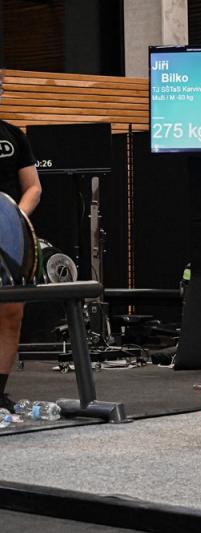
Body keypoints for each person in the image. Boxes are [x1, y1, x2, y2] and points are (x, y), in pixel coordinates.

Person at [0, 69, 43, 411]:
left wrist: (14, 219)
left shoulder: (14, 135)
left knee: (11, 314)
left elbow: (33, 187)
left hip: (9, 238)